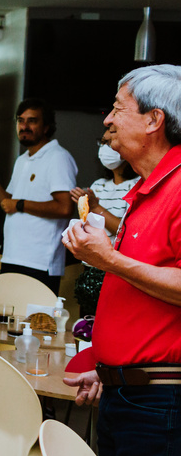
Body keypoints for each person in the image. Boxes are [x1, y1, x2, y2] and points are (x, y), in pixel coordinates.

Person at [63, 64, 181, 456]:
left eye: (118, 109)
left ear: (154, 120)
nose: (108, 120)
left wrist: (108, 259)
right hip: (126, 391)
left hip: (159, 401)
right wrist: (109, 369)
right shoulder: (146, 189)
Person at [0, 98, 76, 292]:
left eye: (32, 121)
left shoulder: (58, 157)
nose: (24, 126)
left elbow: (65, 207)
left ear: (46, 127)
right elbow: (9, 204)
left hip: (39, 263)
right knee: (7, 311)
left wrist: (20, 204)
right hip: (12, 256)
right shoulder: (22, 159)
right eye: (20, 120)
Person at [69, 129, 140, 317]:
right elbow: (88, 225)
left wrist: (95, 207)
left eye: (109, 142)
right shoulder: (98, 185)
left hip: (114, 269)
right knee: (87, 324)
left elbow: (126, 231)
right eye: (102, 143)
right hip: (90, 268)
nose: (104, 148)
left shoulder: (136, 185)